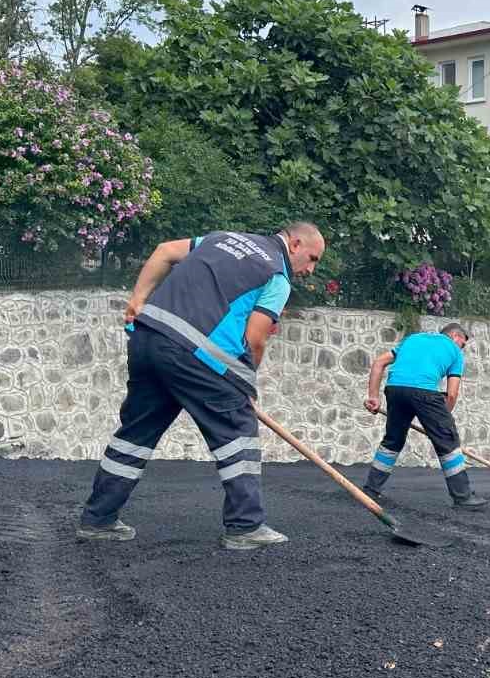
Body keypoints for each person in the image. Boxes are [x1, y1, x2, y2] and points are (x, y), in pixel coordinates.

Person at [77, 223, 326, 550]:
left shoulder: (223, 238)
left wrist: (138, 299)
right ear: (295, 244)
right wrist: (244, 385)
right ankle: (245, 526)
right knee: (238, 430)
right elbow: (256, 338)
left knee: (135, 434)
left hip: (148, 338)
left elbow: (165, 251)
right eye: (312, 258)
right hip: (194, 353)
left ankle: (98, 520)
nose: (310, 269)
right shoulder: (276, 275)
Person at [360, 322, 486, 510]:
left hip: (395, 389)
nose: (462, 348)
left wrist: (373, 397)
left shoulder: (412, 339)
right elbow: (451, 394)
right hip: (425, 392)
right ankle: (463, 496)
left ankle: (370, 489)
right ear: (454, 336)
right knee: (448, 442)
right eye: (463, 344)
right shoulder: (454, 351)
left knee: (393, 440)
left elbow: (379, 362)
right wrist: (441, 425)